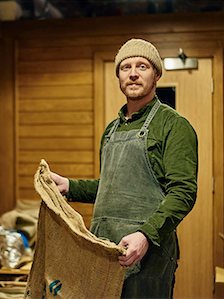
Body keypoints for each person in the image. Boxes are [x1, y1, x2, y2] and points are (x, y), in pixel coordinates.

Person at [50, 38, 198, 298]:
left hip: (147, 253)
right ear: (118, 76)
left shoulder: (174, 125)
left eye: (142, 66)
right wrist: (70, 186)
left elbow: (183, 192)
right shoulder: (111, 130)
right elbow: (112, 187)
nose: (132, 74)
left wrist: (145, 235)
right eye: (125, 67)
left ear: (156, 75)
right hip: (104, 249)